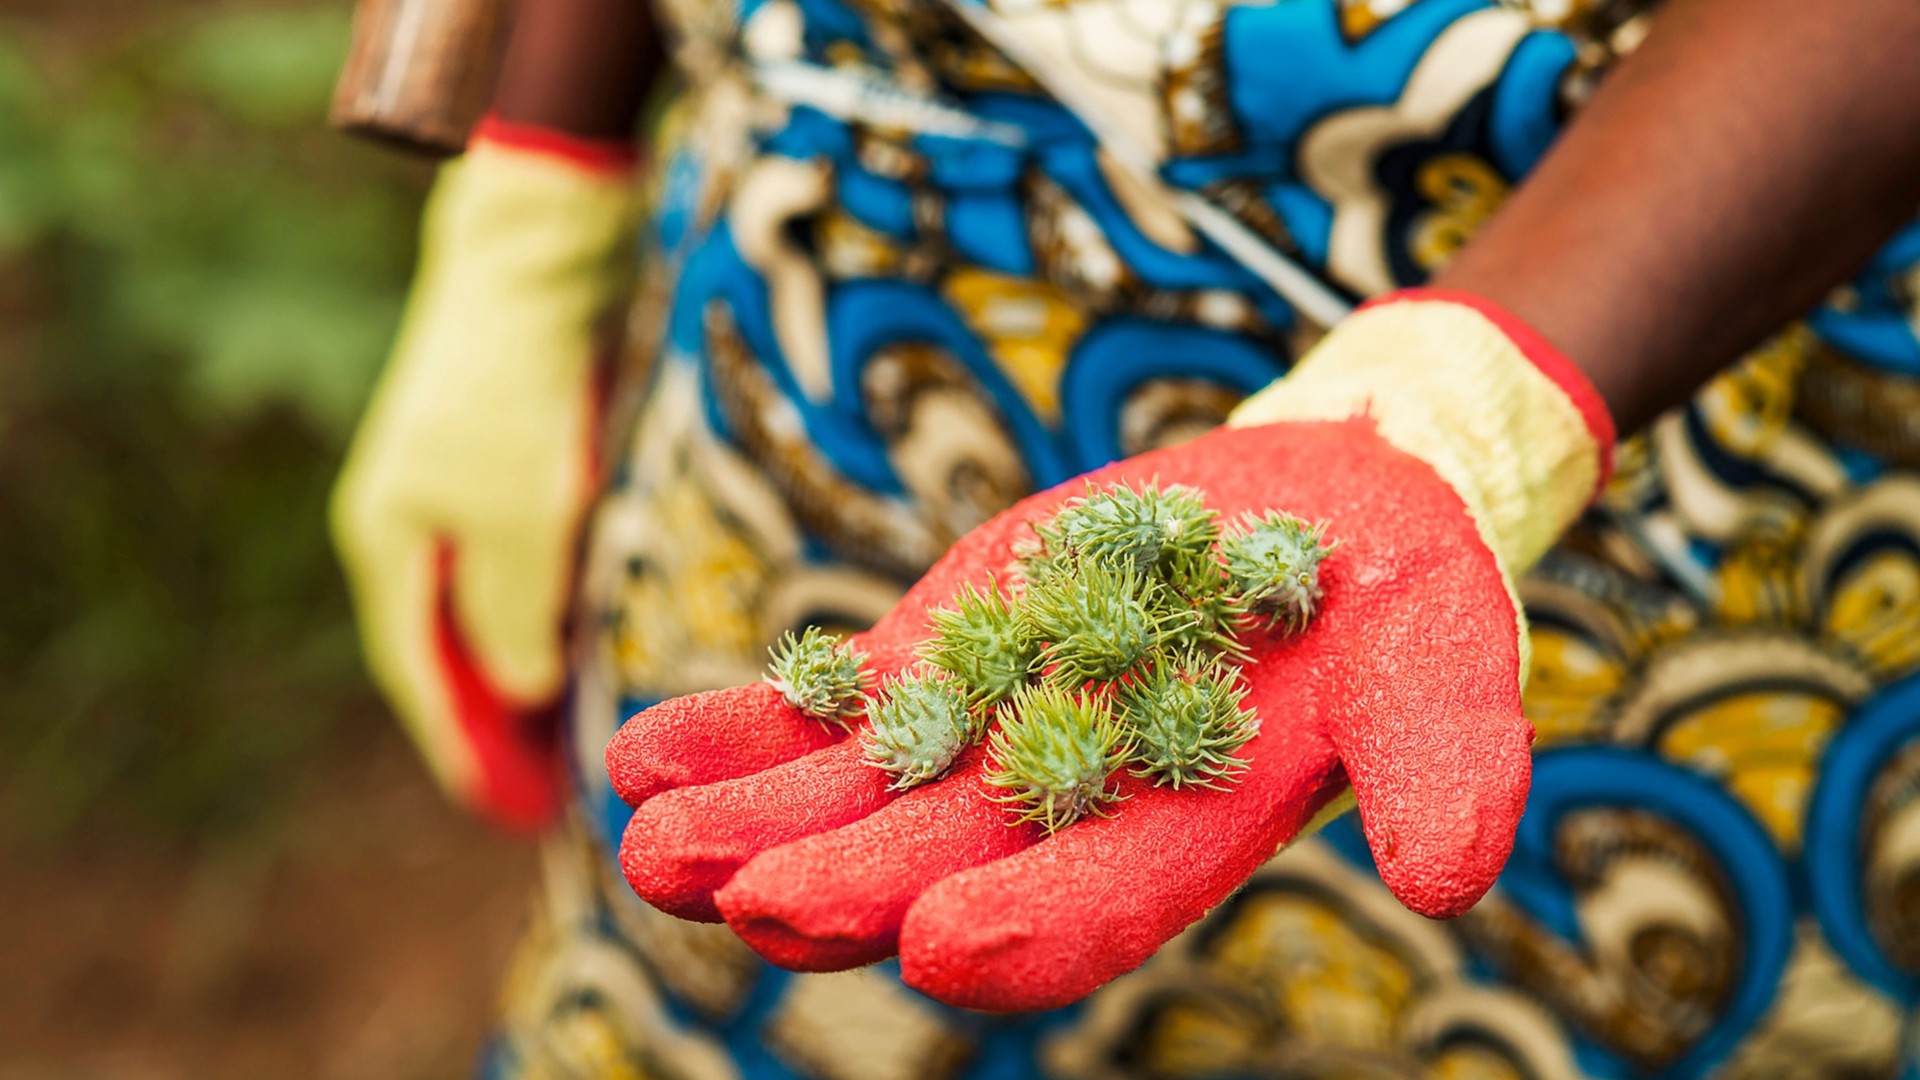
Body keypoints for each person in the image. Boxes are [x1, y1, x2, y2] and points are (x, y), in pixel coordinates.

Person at [331, 0, 1920, 1074]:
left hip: (1662, 352)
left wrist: (1463, 402)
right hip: (827, 316)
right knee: (796, 892)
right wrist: (535, 186)